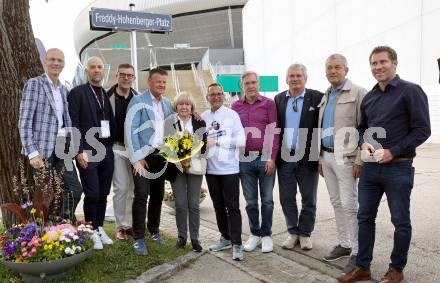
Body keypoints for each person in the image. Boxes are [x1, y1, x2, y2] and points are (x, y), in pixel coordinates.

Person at [338, 46, 430, 283]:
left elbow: (422, 129)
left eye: (382, 62)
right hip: (370, 169)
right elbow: (362, 129)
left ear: (394, 63)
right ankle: (363, 267)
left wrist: (393, 151)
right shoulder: (370, 97)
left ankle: (396, 269)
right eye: (374, 63)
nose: (378, 67)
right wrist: (364, 143)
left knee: (400, 221)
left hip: (399, 167)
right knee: (365, 217)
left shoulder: (411, 91)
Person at [19, 48, 82, 222]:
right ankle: (43, 233)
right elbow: (24, 122)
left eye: (60, 60)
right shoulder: (34, 84)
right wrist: (32, 153)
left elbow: (66, 122)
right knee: (44, 197)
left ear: (64, 64)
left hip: (62, 149)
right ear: (45, 62)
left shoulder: (63, 90)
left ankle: (62, 223)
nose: (56, 63)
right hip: (41, 151)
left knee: (75, 190)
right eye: (52, 59)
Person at [317, 54, 367, 272]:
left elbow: (366, 127)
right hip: (326, 157)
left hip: (346, 158)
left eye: (337, 67)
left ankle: (357, 251)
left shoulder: (358, 93)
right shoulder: (325, 95)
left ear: (346, 69)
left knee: (349, 205)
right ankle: (344, 244)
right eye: (329, 68)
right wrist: (319, 157)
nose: (333, 71)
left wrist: (360, 160)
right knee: (336, 202)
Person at [68, 56, 115, 250]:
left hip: (105, 151)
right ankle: (90, 230)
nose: (96, 70)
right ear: (86, 71)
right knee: (92, 193)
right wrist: (78, 150)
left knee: (103, 193)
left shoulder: (104, 93)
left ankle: (100, 228)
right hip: (87, 151)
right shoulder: (77, 93)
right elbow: (73, 123)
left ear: (103, 71)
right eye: (93, 67)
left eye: (99, 67)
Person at [274, 63, 323, 251]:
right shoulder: (279, 99)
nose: (294, 79)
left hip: (308, 156)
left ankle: (305, 234)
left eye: (298, 76)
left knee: (308, 198)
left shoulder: (317, 98)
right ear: (286, 79)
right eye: (291, 76)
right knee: (286, 197)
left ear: (305, 79)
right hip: (285, 156)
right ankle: (293, 232)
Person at [125, 68, 174, 255]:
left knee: (158, 195)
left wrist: (196, 115)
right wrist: (137, 159)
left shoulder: (167, 103)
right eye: (158, 81)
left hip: (161, 157)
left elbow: (176, 122)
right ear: (149, 82)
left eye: (164, 82)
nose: (161, 84)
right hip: (142, 158)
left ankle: (154, 231)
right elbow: (131, 130)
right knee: (141, 195)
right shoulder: (138, 101)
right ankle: (138, 238)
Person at [231, 71, 279, 253]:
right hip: (244, 160)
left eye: (253, 82)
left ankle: (266, 235)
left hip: (264, 158)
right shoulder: (235, 107)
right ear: (241, 86)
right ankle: (255, 234)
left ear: (258, 84)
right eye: (247, 83)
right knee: (251, 201)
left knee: (267, 200)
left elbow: (274, 132)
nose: (250, 86)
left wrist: (271, 158)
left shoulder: (269, 104)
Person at [202, 83, 246, 261]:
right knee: (218, 206)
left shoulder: (232, 115)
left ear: (224, 96)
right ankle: (225, 238)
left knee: (232, 207)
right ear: (208, 97)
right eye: (213, 94)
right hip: (211, 170)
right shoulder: (203, 116)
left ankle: (237, 244)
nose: (217, 97)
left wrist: (219, 140)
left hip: (229, 169)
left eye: (219, 94)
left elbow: (242, 140)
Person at [164, 92, 206, 252]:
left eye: (187, 104)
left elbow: (203, 143)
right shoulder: (170, 121)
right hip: (177, 168)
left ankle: (195, 238)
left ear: (191, 106)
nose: (184, 107)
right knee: (181, 204)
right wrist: (179, 158)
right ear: (176, 106)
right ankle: (182, 237)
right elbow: (166, 142)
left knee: (194, 204)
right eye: (181, 104)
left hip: (195, 167)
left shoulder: (198, 120)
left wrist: (192, 156)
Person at [107, 63, 137, 241]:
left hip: (134, 149)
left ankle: (130, 224)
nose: (126, 78)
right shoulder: (106, 97)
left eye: (129, 75)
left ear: (133, 78)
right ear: (117, 76)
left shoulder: (139, 98)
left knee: (133, 189)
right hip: (116, 147)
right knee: (121, 187)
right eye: (123, 74)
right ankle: (120, 227)